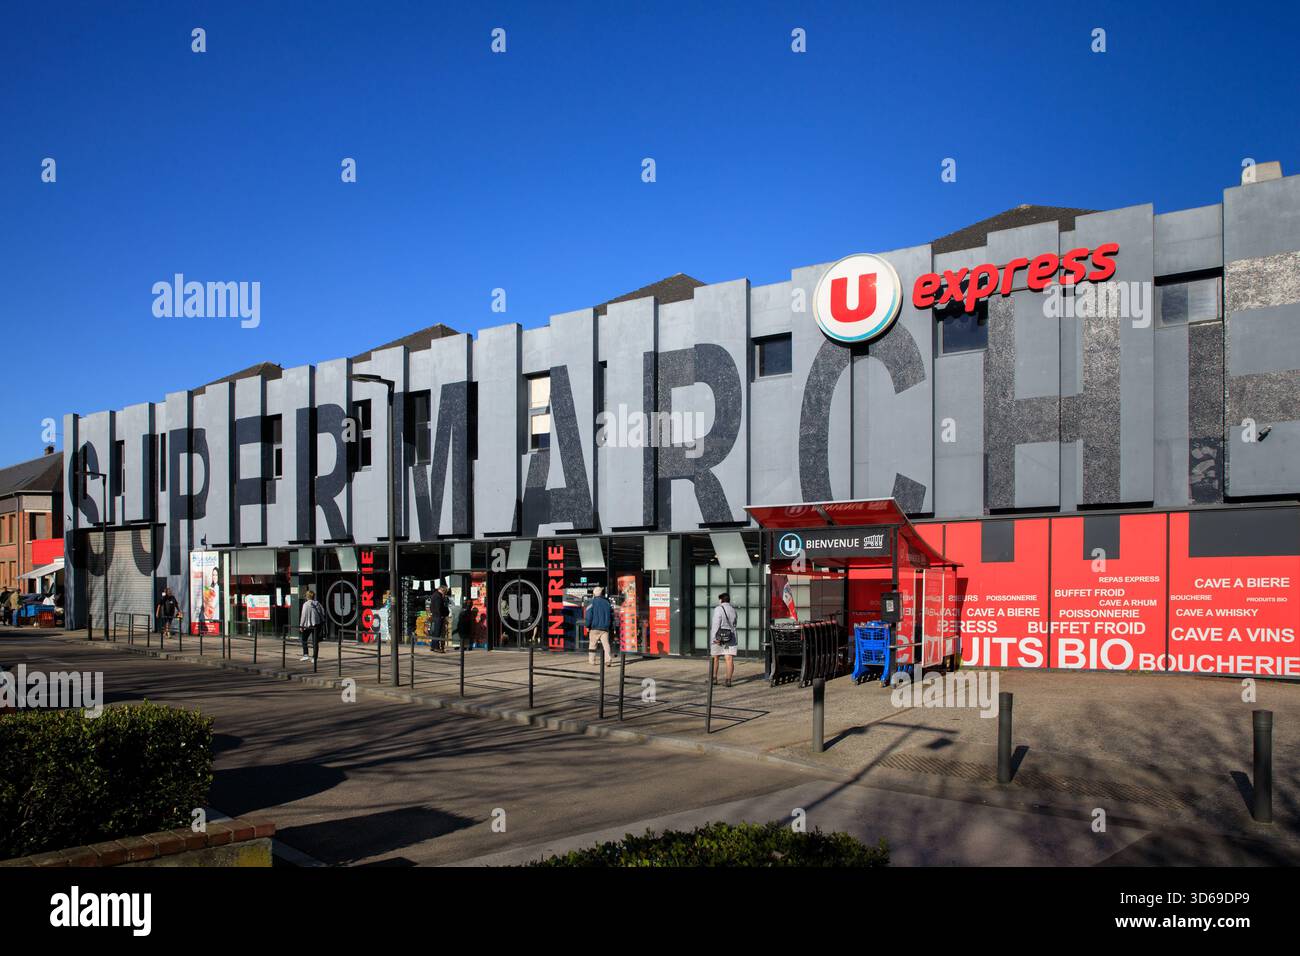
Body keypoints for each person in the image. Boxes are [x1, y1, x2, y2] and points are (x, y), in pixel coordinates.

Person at [710, 592, 739, 687]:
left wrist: (714, 638)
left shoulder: (718, 609)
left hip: (719, 636)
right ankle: (728, 680)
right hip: (731, 637)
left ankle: (714, 678)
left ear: (721, 600)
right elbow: (734, 624)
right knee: (729, 658)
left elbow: (715, 624)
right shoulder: (733, 610)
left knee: (715, 657)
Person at [584, 586, 615, 667]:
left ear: (594, 593)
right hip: (605, 628)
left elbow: (588, 616)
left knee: (592, 645)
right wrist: (610, 626)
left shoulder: (591, 602)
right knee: (606, 645)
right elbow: (611, 616)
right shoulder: (607, 603)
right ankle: (608, 661)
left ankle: (592, 661)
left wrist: (587, 625)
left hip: (594, 627)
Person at [299, 590, 325, 661]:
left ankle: (305, 654)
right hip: (317, 624)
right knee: (315, 642)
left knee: (304, 639)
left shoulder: (305, 604)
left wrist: (301, 625)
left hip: (308, 625)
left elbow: (303, 616)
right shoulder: (318, 603)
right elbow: (323, 612)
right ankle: (314, 658)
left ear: (307, 596)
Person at [428, 584, 450, 652]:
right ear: (442, 590)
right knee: (437, 632)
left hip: (435, 616)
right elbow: (438, 608)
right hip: (438, 616)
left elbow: (432, 607)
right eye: (445, 591)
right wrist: (441, 615)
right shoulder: (438, 596)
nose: (445, 592)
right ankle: (436, 647)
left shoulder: (435, 595)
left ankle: (433, 646)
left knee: (435, 632)